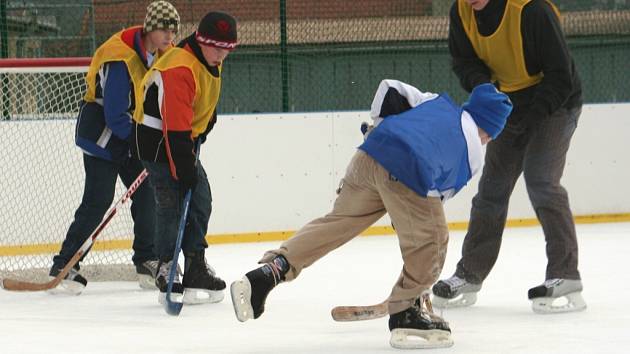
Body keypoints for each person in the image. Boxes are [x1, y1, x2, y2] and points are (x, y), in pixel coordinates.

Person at [230, 79, 512, 349]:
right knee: (434, 241)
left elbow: (390, 88)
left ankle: (270, 272)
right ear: (491, 130)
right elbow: (432, 203)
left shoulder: (436, 102)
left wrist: (380, 128)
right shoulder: (472, 151)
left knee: (337, 223)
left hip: (370, 153)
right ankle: (407, 312)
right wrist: (416, 268)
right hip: (409, 172)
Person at [432, 0, 585, 314]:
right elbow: (464, 62)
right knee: (492, 190)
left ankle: (565, 274)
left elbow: (561, 76)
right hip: (508, 102)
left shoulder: (532, 11)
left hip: (555, 102)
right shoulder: (461, 11)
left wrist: (529, 120)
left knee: (542, 182)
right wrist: (485, 89)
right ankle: (470, 275)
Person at [49, 1, 180, 295]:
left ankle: (146, 258)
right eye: (164, 29)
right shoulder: (119, 57)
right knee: (98, 200)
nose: (170, 35)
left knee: (147, 192)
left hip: (130, 136)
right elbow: (115, 115)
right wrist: (145, 143)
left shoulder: (162, 54)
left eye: (174, 29)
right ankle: (64, 264)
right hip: (105, 135)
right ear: (150, 28)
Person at [131, 11, 238, 305]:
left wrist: (206, 123)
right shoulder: (181, 68)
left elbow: (205, 96)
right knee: (171, 202)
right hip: (157, 141)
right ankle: (167, 265)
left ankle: (195, 267)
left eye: (227, 49)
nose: (221, 54)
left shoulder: (210, 58)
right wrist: (185, 168)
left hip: (181, 137)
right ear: (201, 41)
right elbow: (175, 130)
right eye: (216, 47)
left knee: (200, 200)